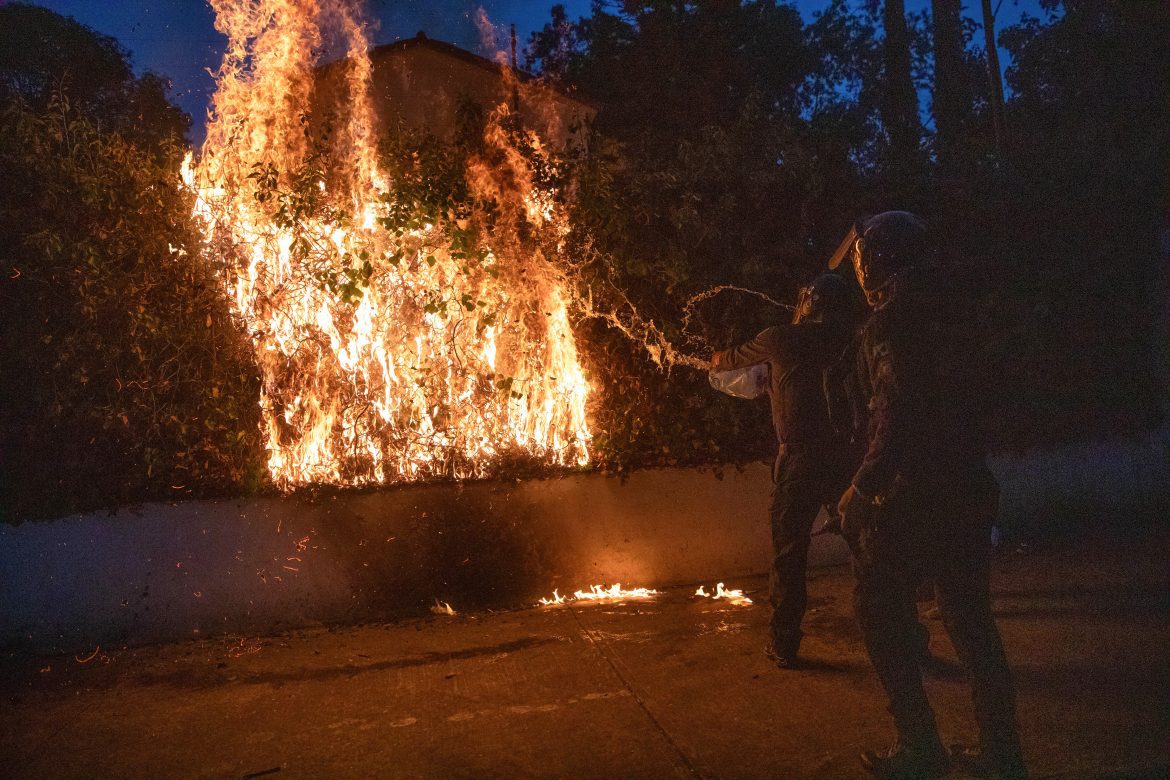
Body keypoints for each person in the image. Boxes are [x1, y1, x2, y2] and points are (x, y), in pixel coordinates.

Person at [833, 211, 1026, 779]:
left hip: (914, 495)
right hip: (968, 486)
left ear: (879, 262)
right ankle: (1003, 755)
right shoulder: (963, 314)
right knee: (971, 622)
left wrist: (861, 486)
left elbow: (896, 412)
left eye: (865, 262)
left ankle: (920, 745)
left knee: (877, 608)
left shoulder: (892, 323)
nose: (862, 275)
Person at [710, 273, 861, 668]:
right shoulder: (855, 338)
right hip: (848, 456)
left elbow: (727, 361)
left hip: (799, 461)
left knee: (789, 554)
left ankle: (784, 642)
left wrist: (714, 359)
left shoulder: (781, 338)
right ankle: (904, 634)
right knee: (869, 545)